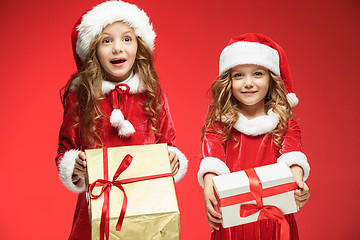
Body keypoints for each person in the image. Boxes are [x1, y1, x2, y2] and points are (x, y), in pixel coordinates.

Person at [55, 1, 188, 239]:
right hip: (98, 208)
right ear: (93, 49)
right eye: (107, 41)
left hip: (147, 206)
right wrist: (73, 164)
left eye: (127, 39)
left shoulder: (152, 94)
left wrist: (172, 159)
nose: (118, 48)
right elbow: (65, 148)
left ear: (139, 45)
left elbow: (169, 142)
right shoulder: (80, 98)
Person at [197, 33, 310, 239]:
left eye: (257, 73)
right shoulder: (219, 125)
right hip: (233, 223)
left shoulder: (285, 124)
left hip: (276, 222)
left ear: (271, 78)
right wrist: (208, 190)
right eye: (238, 75)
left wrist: (298, 185)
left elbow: (294, 157)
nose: (248, 83)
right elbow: (211, 161)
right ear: (228, 81)